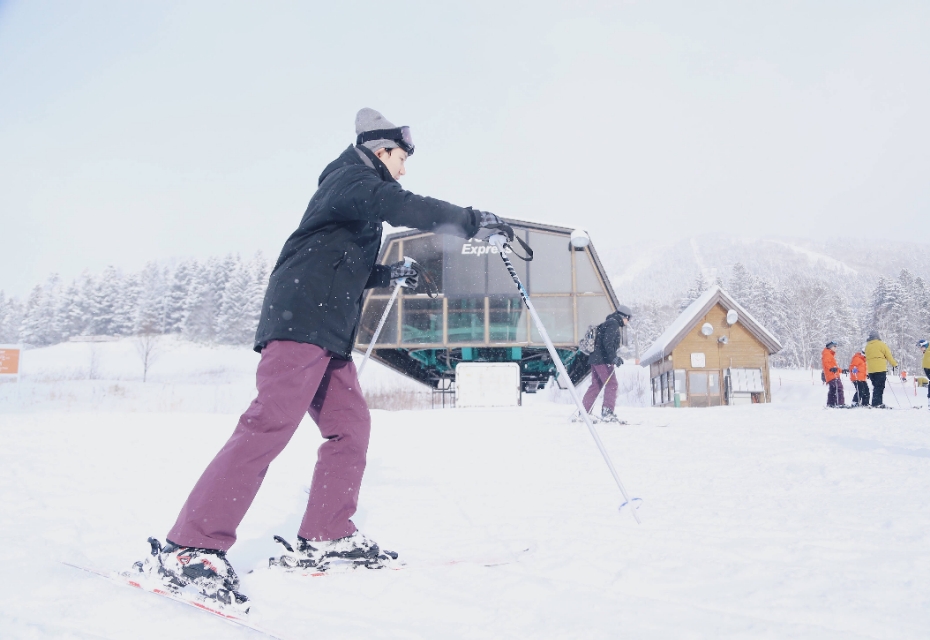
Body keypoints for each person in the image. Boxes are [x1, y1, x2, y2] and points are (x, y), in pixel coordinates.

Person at [133, 108, 515, 607]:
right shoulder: (349, 178)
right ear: (382, 151)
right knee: (269, 424)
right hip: (300, 324)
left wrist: (383, 276)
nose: (403, 169)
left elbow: (337, 264)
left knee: (350, 428)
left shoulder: (354, 197)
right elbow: (401, 203)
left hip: (329, 333)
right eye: (401, 158)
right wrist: (468, 221)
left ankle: (327, 532)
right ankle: (191, 547)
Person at [580, 305, 633, 423]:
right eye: (628, 318)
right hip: (602, 360)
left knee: (596, 385)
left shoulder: (609, 322)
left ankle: (584, 412)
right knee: (612, 384)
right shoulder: (613, 323)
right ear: (623, 316)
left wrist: (616, 356)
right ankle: (607, 412)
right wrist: (613, 358)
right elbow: (607, 343)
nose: (628, 322)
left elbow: (606, 343)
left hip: (595, 359)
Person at [865, 330, 897, 408]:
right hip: (880, 369)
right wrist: (894, 364)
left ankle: (876, 402)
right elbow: (888, 355)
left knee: (876, 386)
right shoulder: (881, 344)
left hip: (871, 370)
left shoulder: (867, 346)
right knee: (880, 387)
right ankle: (877, 403)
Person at [822, 341, 845, 407]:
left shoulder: (829, 354)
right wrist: (831, 368)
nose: (836, 348)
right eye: (834, 346)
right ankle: (840, 404)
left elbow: (835, 367)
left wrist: (842, 371)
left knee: (833, 389)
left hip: (832, 374)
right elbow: (826, 363)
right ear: (830, 347)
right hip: (832, 375)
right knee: (839, 388)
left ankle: (831, 404)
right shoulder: (827, 354)